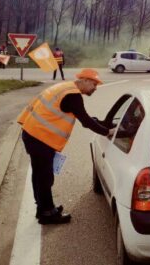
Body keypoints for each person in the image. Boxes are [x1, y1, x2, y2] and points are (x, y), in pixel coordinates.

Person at [17, 68, 116, 224]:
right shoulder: (73, 96)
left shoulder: (65, 87)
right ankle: (48, 214)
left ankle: (42, 208)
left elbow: (85, 117)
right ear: (84, 81)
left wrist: (102, 123)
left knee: (39, 175)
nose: (95, 89)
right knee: (45, 177)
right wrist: (108, 132)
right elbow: (86, 121)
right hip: (41, 138)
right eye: (94, 85)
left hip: (31, 133)